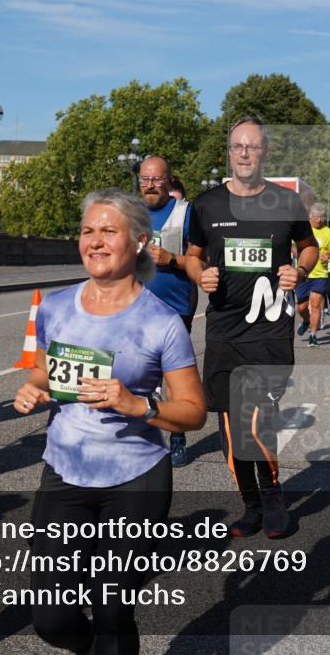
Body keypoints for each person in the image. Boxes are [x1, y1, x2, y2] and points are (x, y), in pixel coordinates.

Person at [15, 188, 205, 653]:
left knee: (112, 608)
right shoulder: (56, 305)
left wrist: (139, 406)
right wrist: (34, 385)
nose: (95, 241)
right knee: (51, 619)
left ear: (140, 241)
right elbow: (44, 367)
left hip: (136, 477)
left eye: (108, 231)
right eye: (87, 231)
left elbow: (194, 412)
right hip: (65, 470)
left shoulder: (162, 322)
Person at [185, 115, 318, 539]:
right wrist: (199, 274)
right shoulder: (206, 205)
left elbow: (309, 247)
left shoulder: (286, 202)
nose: (244, 153)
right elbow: (192, 255)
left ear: (265, 152)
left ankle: (273, 495)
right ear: (229, 152)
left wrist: (299, 270)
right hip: (224, 330)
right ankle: (251, 504)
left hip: (270, 330)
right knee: (231, 428)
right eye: (237, 146)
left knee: (257, 420)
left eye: (252, 146)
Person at [138, 156, 198, 468]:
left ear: (169, 180)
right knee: (134, 372)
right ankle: (138, 435)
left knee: (174, 377)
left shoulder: (186, 213)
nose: (150, 185)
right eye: (145, 179)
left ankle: (177, 439)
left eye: (156, 179)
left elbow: (202, 261)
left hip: (175, 307)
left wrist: (171, 259)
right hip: (134, 307)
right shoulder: (129, 212)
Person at [296, 203, 330, 347]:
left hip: (320, 273)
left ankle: (313, 336)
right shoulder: (302, 229)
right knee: (301, 307)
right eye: (317, 217)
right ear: (310, 217)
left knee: (316, 304)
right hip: (303, 273)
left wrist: (329, 254)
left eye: (322, 217)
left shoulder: (327, 231)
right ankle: (306, 320)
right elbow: (291, 245)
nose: (320, 220)